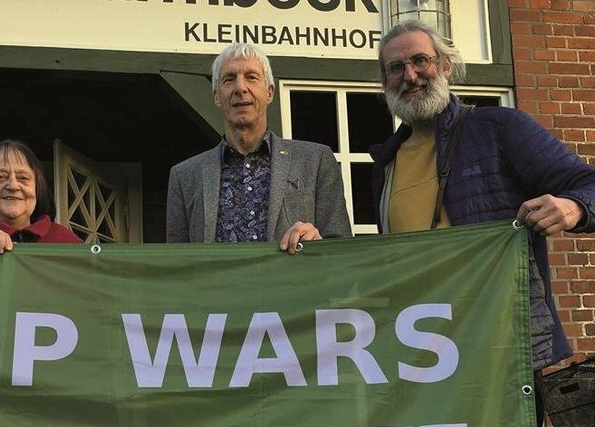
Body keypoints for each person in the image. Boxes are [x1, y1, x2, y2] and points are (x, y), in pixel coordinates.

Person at [370, 20, 595, 374]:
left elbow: (589, 184)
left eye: (420, 61)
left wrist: (574, 207)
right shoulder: (385, 163)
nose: (410, 76)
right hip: (423, 352)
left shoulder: (497, 128)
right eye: (395, 68)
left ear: (445, 67)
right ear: (385, 82)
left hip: (500, 342)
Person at [166, 43, 351, 253]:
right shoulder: (184, 176)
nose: (240, 88)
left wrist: (319, 243)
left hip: (292, 285)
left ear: (269, 92)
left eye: (252, 77)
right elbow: (178, 265)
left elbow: (342, 251)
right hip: (215, 287)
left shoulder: (316, 161)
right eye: (229, 79)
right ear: (217, 96)